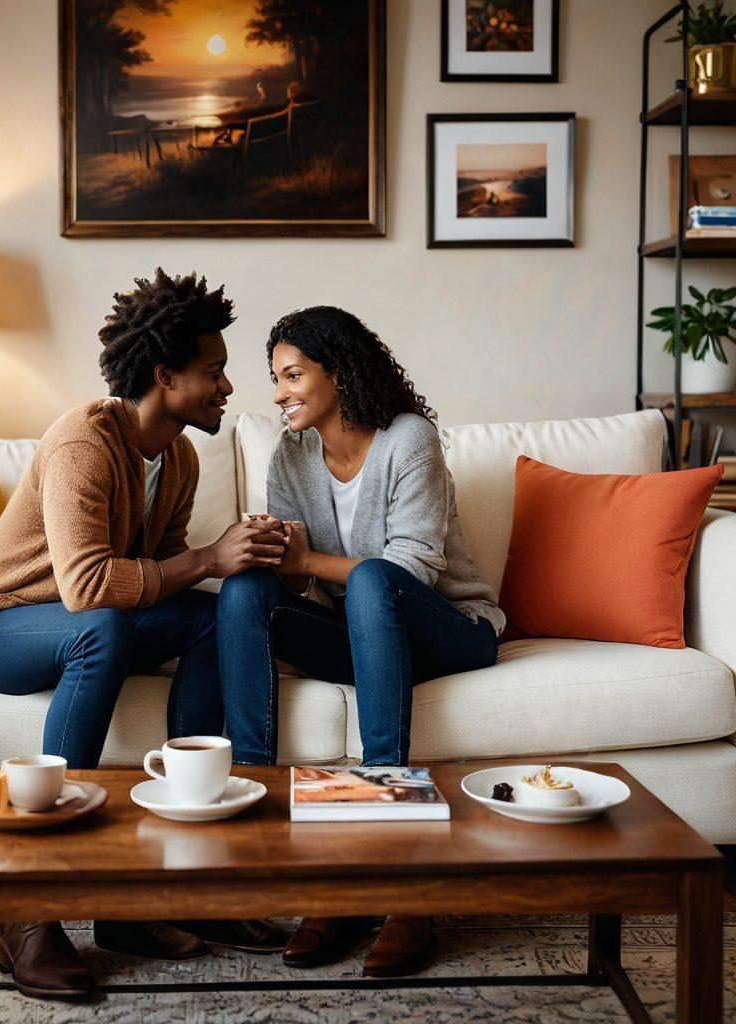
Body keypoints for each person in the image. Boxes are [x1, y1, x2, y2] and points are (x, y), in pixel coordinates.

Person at [0, 269, 290, 1000]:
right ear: (164, 375)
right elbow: (88, 588)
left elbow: (162, 569)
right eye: (213, 372)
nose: (228, 388)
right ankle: (27, 913)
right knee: (100, 626)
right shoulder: (84, 443)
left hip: (78, 624)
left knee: (208, 616)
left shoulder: (181, 456)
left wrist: (230, 559)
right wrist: (206, 559)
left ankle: (164, 894)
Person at [216, 306, 506, 976]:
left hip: (450, 630)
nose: (281, 391)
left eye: (293, 374)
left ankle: (398, 879)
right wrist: (266, 555)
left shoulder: (409, 439)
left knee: (375, 581)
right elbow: (297, 584)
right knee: (242, 592)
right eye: (276, 378)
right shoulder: (292, 452)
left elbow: (411, 571)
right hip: (361, 635)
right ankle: (253, 810)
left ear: (338, 373)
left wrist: (307, 562)